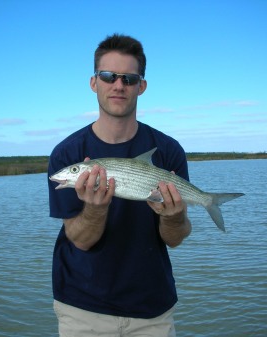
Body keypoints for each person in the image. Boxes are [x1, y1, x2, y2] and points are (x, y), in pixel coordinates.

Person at [47, 33, 192, 337]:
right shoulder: (66, 153)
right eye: (108, 76)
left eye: (129, 78)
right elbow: (81, 240)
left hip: (152, 310)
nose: (118, 85)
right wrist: (95, 209)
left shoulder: (169, 151)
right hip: (82, 310)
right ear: (93, 82)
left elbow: (175, 238)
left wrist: (174, 216)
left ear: (142, 86)